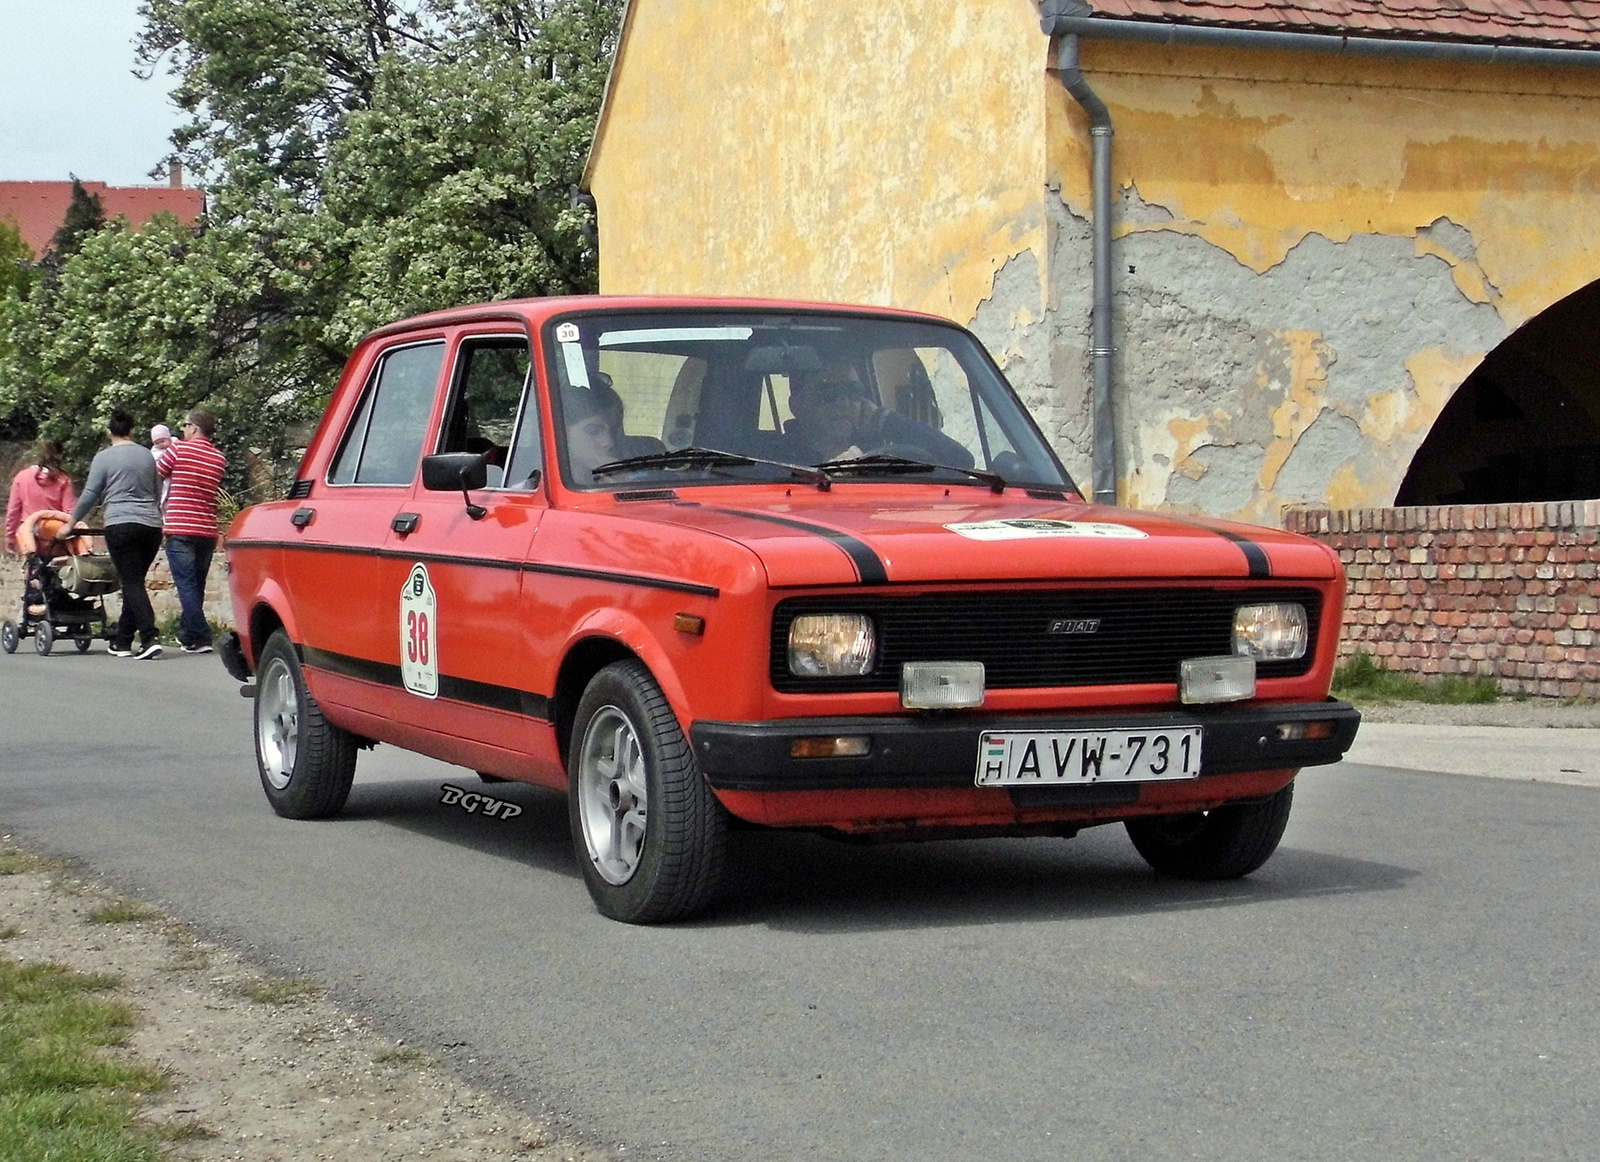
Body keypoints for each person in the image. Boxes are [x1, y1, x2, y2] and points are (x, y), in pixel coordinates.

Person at [67, 410, 165, 659]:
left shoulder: (104, 458)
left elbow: (90, 494)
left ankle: (149, 636)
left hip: (121, 524)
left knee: (132, 583)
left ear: (109, 432)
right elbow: (156, 490)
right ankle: (122, 641)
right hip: (151, 526)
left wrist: (71, 524)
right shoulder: (146, 455)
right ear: (132, 430)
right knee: (135, 583)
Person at [783, 362, 974, 468]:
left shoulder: (878, 452)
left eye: (853, 391)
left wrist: (887, 420)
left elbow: (960, 461)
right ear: (797, 406)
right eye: (829, 394)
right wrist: (827, 472)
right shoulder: (773, 457)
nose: (844, 402)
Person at [156, 409, 227, 654]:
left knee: (186, 585)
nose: (183, 431)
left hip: (180, 526)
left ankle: (203, 634)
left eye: (185, 426)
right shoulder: (219, 458)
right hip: (207, 529)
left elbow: (158, 472)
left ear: (194, 428)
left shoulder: (177, 450)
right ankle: (189, 636)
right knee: (197, 585)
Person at [5, 439, 77, 556]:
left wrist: (10, 536)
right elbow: (70, 511)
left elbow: (13, 511)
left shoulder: (22, 477)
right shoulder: (63, 479)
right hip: (54, 532)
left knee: (32, 565)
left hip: (30, 532)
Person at [562, 384, 620, 485]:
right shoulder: (533, 486)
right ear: (564, 433)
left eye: (614, 430)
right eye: (593, 431)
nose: (609, 442)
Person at [149, 424, 174, 510]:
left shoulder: (176, 445)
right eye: (157, 443)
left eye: (162, 441)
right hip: (163, 477)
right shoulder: (155, 451)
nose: (160, 445)